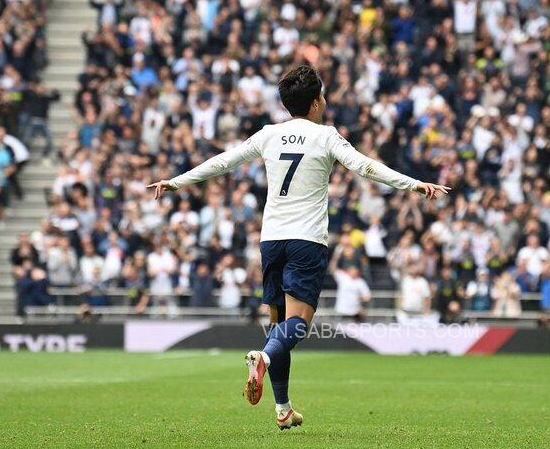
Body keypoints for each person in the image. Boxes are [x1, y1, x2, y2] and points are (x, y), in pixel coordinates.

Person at [147, 65, 448, 429]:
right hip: (306, 241)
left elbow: (224, 161)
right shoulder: (327, 137)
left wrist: (177, 182)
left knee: (278, 327)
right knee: (298, 325)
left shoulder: (269, 134)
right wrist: (414, 184)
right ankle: (263, 361)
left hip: (271, 239)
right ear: (317, 102)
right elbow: (367, 168)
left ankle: (283, 409)